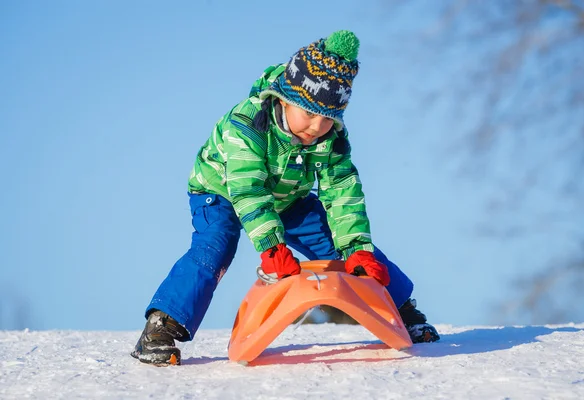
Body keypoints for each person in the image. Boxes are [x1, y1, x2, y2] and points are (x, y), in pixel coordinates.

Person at [131, 30, 440, 366]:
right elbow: (248, 189)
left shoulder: (331, 137)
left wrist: (358, 248)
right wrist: (272, 246)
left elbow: (343, 192)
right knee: (215, 247)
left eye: (328, 118)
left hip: (288, 198)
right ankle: (162, 327)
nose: (317, 125)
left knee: (339, 245)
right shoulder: (246, 124)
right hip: (220, 192)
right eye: (308, 113)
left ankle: (403, 309)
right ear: (283, 98)